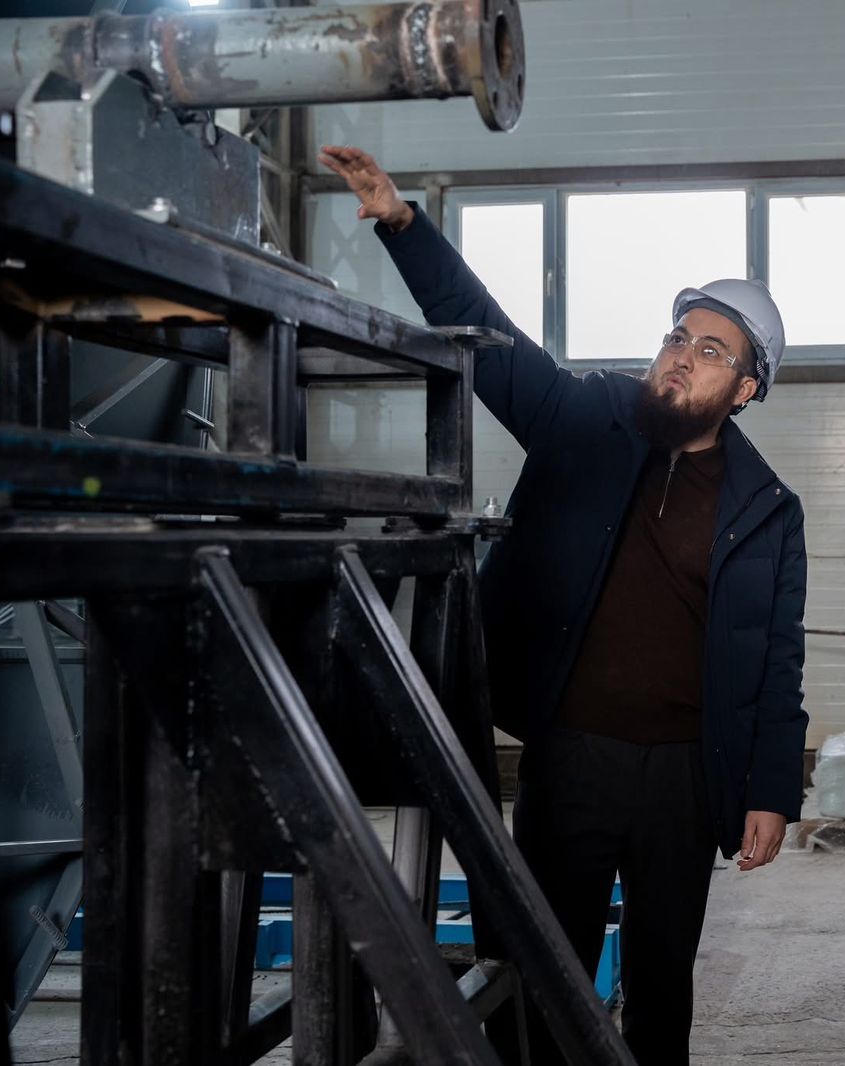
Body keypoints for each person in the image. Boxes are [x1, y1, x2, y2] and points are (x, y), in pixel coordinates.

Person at [319, 145, 810, 1065]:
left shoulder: (767, 509)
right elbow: (488, 338)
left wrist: (772, 792)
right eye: (678, 338)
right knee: (543, 971)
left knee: (661, 986)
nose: (683, 357)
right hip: (571, 756)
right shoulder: (586, 418)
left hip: (686, 778)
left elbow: (778, 659)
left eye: (712, 351)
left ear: (745, 389)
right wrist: (404, 225)